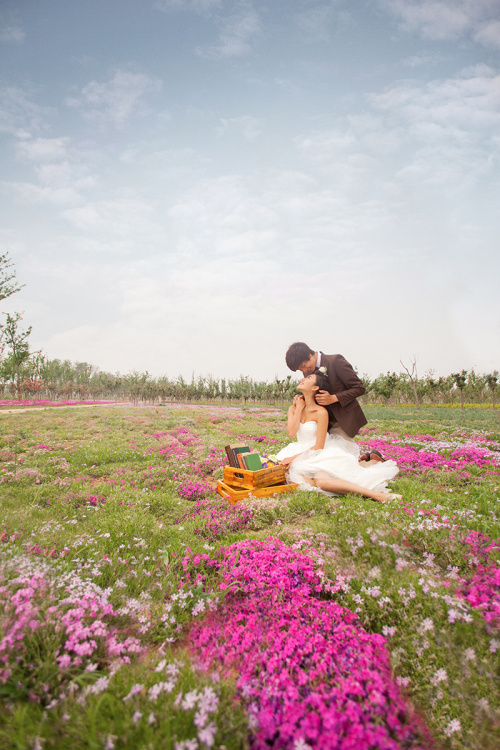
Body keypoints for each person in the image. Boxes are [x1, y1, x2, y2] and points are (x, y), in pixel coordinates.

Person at [276, 370, 400, 502]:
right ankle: (368, 463)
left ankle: (378, 495)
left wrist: (293, 459)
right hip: (298, 450)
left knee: (322, 482)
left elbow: (319, 446)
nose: (303, 379)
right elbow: (291, 433)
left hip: (318, 453)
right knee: (295, 480)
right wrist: (300, 408)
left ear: (315, 388)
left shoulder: (321, 412)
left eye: (309, 377)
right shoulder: (293, 408)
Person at [285, 342, 387, 464]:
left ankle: (372, 460)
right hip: (321, 421)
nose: (304, 370)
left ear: (309, 355)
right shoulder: (308, 370)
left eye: (304, 365)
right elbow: (314, 389)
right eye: (300, 369)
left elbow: (359, 388)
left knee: (341, 462)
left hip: (342, 419)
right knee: (328, 459)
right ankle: (367, 458)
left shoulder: (335, 361)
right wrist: (304, 397)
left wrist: (334, 398)